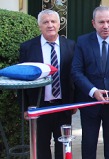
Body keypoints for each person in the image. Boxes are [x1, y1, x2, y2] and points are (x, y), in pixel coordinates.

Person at [71, 6, 109, 159]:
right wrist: (93, 91)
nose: (105, 26)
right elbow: (76, 71)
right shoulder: (83, 41)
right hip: (90, 104)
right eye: (101, 22)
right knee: (88, 145)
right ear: (93, 23)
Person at [18, 9, 77, 159]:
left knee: (63, 147)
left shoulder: (71, 46)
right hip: (39, 106)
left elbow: (75, 76)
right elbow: (21, 80)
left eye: (53, 21)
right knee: (41, 147)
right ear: (39, 26)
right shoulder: (28, 47)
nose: (50, 25)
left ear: (59, 24)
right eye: (45, 22)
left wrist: (75, 103)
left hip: (63, 106)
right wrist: (24, 108)